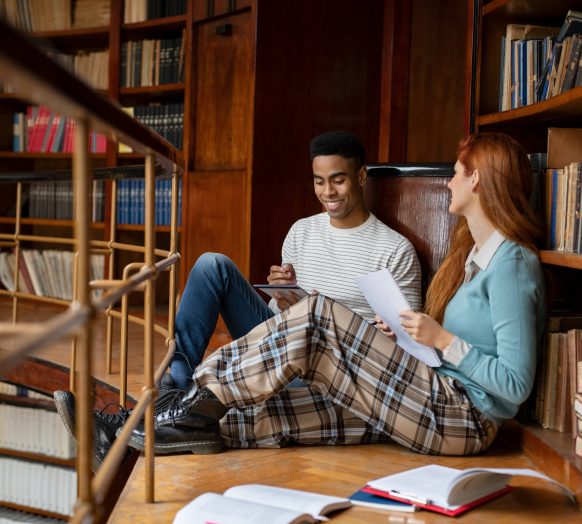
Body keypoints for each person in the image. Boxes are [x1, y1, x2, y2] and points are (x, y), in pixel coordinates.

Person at [122, 131, 547, 455]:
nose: (448, 183)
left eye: (456, 172)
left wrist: (441, 339)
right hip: (429, 392)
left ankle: (184, 401)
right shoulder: (473, 258)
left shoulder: (512, 263)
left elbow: (515, 385)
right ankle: (136, 426)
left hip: (461, 417)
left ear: (477, 179)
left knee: (319, 312)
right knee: (263, 414)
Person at [53, 130, 422, 467]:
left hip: (329, 373)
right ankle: (172, 395)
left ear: (360, 176)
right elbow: (282, 317)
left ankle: (129, 426)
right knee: (212, 264)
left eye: (338, 180)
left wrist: (368, 327)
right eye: (319, 181)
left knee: (306, 324)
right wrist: (284, 292)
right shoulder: (301, 231)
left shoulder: (394, 250)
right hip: (283, 343)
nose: (328, 192)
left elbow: (407, 348)